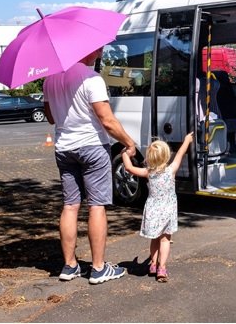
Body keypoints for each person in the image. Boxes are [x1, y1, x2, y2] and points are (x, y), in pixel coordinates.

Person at [43, 46, 137, 285]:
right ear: (86, 49)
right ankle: (98, 268)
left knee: (70, 206)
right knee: (96, 206)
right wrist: (128, 143)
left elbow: (52, 117)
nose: (101, 50)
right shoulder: (91, 78)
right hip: (92, 147)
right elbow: (107, 120)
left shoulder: (50, 80)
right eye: (98, 48)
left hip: (64, 148)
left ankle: (69, 265)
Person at [121, 132, 194, 282]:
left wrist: (124, 154)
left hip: (153, 209)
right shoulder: (171, 170)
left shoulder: (148, 172)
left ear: (149, 158)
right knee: (165, 240)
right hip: (167, 209)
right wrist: (186, 140)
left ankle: (153, 264)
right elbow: (180, 153)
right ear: (166, 157)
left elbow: (128, 168)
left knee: (154, 239)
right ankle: (162, 267)